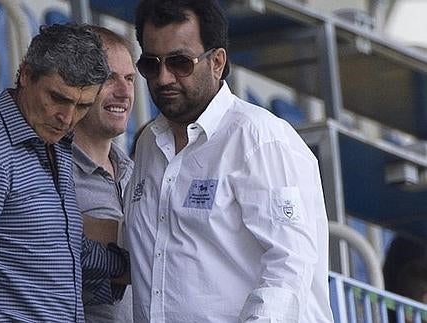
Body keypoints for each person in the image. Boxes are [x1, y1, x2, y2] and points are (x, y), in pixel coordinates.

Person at [124, 0, 334, 322]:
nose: (164, 78)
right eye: (152, 65)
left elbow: (289, 266)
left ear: (217, 62)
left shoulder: (259, 138)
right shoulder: (149, 144)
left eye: (180, 63)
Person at [0, 24, 129, 322]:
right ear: (26, 75)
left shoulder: (52, 143)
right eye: (58, 98)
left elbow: (62, 247)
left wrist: (124, 267)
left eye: (82, 106)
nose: (67, 118)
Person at [73, 26, 136, 323]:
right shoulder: (48, 172)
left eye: (130, 79)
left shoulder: (140, 173)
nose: (124, 92)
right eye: (110, 78)